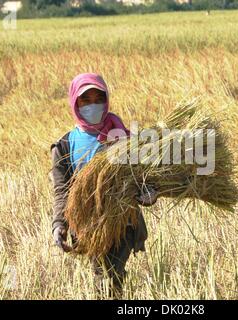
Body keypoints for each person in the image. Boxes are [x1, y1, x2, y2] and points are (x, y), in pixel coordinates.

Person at [50, 73, 158, 298]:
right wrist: (59, 224)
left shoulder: (123, 138)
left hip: (123, 220)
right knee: (104, 273)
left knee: (108, 274)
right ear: (74, 103)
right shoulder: (64, 146)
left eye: (98, 99)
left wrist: (149, 193)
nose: (93, 105)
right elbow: (62, 191)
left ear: (107, 99)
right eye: (85, 100)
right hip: (88, 224)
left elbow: (141, 177)